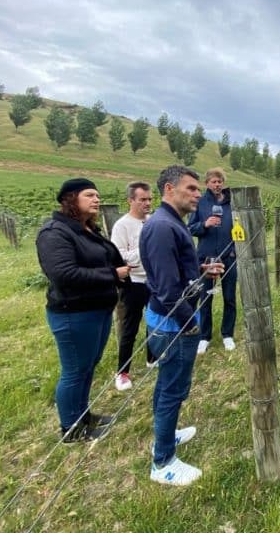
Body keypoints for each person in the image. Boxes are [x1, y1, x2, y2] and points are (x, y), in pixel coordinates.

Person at [140, 165, 222, 486]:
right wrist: (189, 323)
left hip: (174, 319)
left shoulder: (170, 223)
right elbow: (167, 288)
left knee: (168, 385)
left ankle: (167, 435)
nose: (198, 194)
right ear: (168, 190)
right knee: (172, 390)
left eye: (197, 189)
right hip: (174, 323)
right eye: (190, 188)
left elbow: (175, 271)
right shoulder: (162, 227)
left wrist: (201, 269)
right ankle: (163, 462)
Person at [36, 178, 131, 442]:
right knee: (74, 371)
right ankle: (71, 429)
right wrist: (112, 274)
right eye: (89, 195)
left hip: (98, 310)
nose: (96, 199)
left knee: (88, 366)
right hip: (73, 313)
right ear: (70, 199)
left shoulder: (86, 229)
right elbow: (64, 274)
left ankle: (84, 415)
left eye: (97, 195)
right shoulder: (55, 233)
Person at [111, 181, 156, 391]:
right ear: (130, 200)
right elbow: (119, 256)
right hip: (134, 283)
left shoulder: (153, 221)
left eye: (149, 199)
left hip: (154, 280)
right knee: (130, 327)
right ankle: (122, 372)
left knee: (154, 322)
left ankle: (152, 357)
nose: (147, 203)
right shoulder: (122, 225)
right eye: (142, 199)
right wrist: (146, 251)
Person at [188, 167, 237, 354]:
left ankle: (227, 334)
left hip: (229, 256)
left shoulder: (231, 202)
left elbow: (240, 227)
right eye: (213, 182)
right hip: (206, 258)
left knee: (230, 297)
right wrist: (205, 225)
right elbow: (191, 228)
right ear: (207, 183)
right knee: (205, 297)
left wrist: (234, 249)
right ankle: (204, 337)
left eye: (220, 181)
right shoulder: (200, 202)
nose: (217, 185)